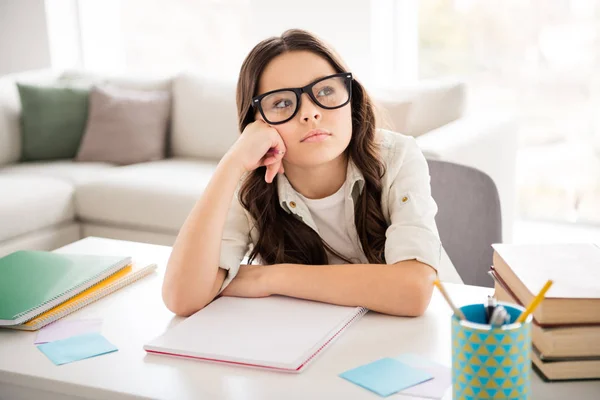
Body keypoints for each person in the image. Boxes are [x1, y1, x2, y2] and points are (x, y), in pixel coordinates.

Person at [162, 29, 447, 318]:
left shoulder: (397, 156)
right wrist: (232, 161)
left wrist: (268, 277)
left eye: (325, 91)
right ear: (256, 123)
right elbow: (182, 298)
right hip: (305, 337)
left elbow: (413, 291)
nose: (310, 113)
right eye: (282, 103)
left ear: (351, 98)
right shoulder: (250, 181)